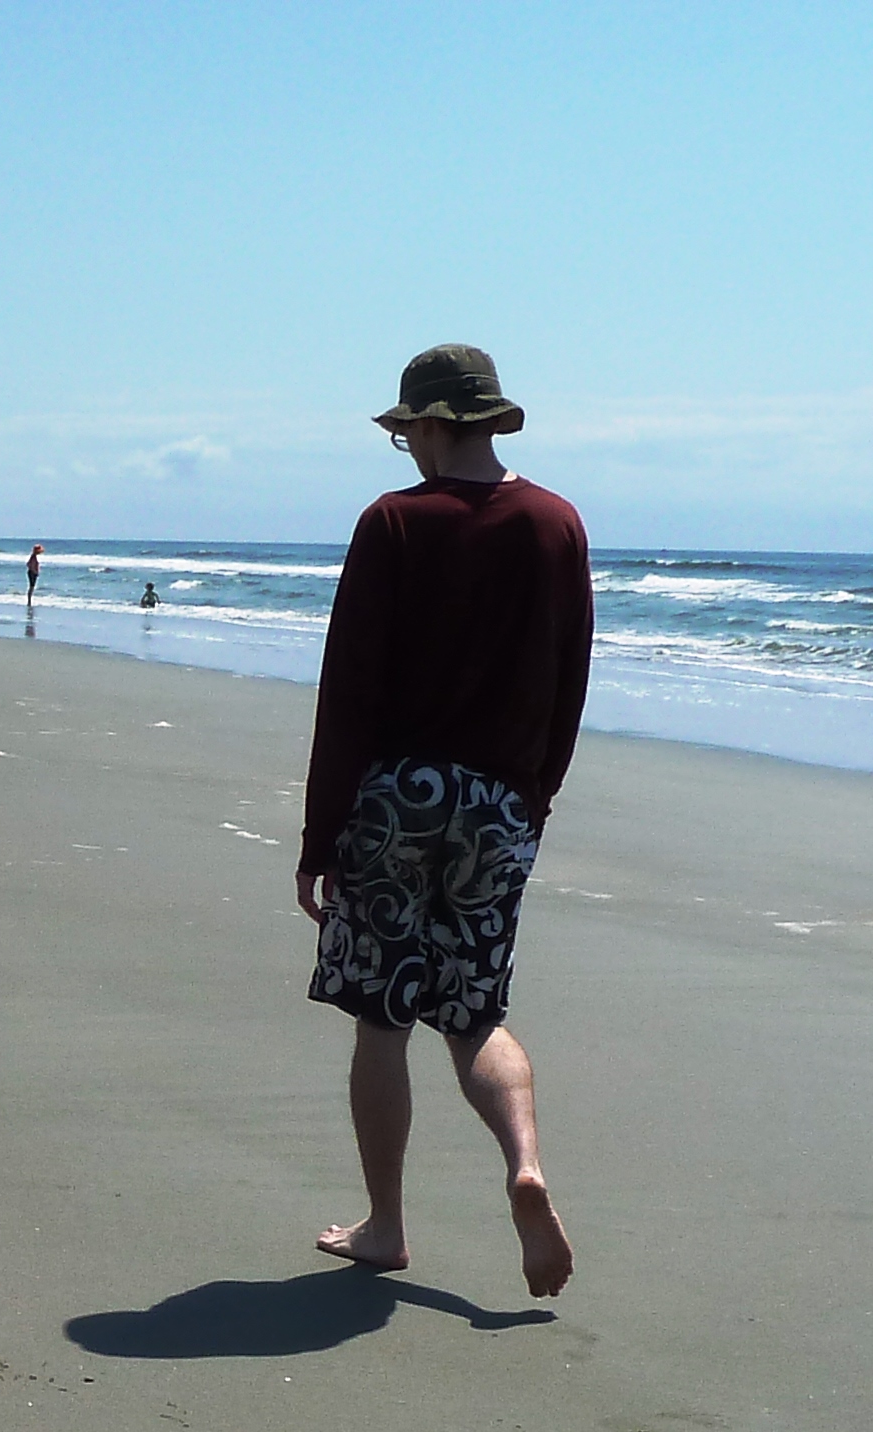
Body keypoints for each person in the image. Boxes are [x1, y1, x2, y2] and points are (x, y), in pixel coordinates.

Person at [298, 343, 593, 1298]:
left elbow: (349, 688)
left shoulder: (394, 522)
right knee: (475, 1013)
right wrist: (534, 797)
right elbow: (570, 677)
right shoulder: (556, 522)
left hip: (395, 796)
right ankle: (524, 1163)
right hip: (501, 802)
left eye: (407, 433)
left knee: (382, 1019)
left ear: (428, 425)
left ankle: (385, 1226)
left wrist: (319, 836)